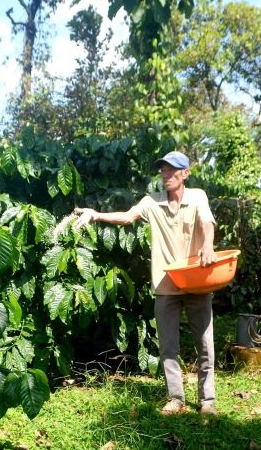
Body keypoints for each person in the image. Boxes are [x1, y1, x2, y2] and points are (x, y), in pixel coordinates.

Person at [74, 150, 219, 416]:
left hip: (198, 281)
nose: (165, 174)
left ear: (185, 173)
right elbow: (128, 217)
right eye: (162, 169)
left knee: (205, 343)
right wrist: (96, 215)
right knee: (168, 346)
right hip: (166, 284)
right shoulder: (152, 202)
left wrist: (208, 246)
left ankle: (207, 401)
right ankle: (176, 399)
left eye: (171, 169)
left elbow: (207, 222)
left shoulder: (198, 196)